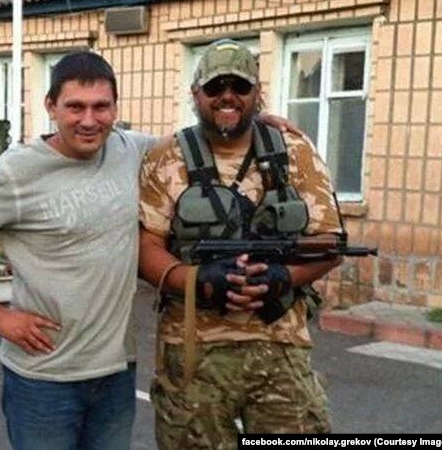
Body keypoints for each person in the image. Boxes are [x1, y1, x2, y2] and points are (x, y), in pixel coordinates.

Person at [0, 50, 296, 450]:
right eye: (75, 107)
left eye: (101, 107)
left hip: (115, 374)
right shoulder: (17, 171)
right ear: (50, 106)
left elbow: (196, 141)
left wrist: (252, 122)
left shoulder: (130, 149)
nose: (88, 120)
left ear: (115, 108)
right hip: (45, 378)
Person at [138, 38, 343, 448]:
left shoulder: (294, 151)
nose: (227, 96)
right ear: (196, 93)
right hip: (193, 349)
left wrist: (283, 277)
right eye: (215, 87)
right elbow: (146, 248)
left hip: (279, 344)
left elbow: (329, 242)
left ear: (257, 93)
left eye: (240, 86)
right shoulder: (166, 156)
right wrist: (199, 280)